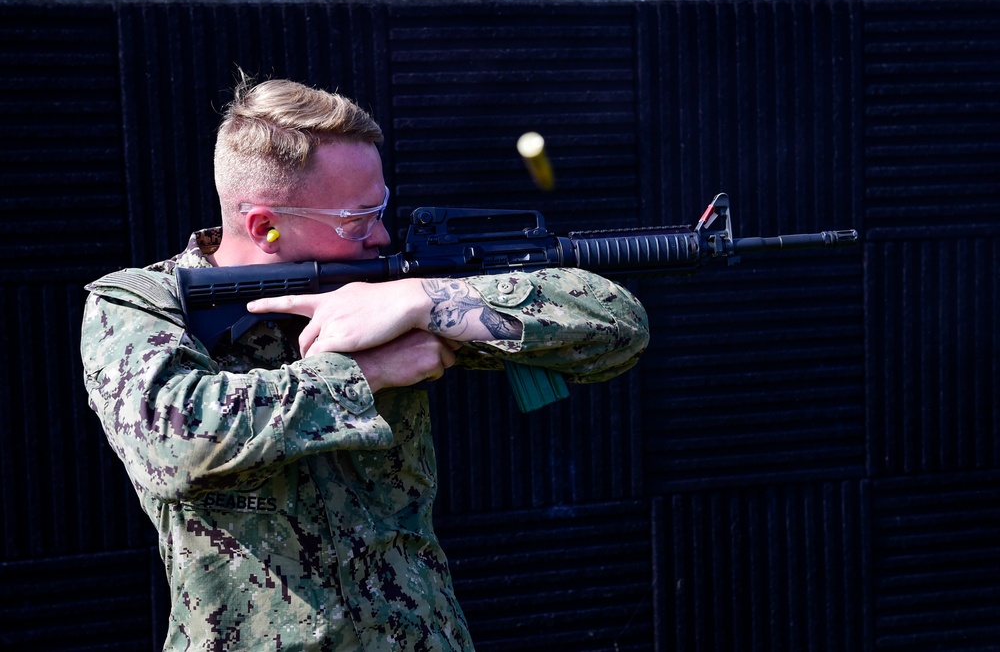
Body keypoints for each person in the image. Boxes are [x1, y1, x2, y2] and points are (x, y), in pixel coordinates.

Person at [80, 74, 649, 651]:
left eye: (380, 210)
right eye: (355, 221)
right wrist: (365, 374)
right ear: (263, 226)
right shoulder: (142, 305)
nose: (380, 235)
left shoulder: (391, 287)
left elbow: (616, 327)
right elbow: (178, 443)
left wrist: (421, 300)